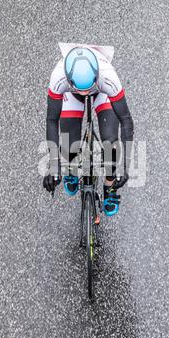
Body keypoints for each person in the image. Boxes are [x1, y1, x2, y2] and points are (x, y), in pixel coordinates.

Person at [43, 43, 134, 216]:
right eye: (81, 90)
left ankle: (109, 188)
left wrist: (124, 166)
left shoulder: (109, 76)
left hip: (102, 91)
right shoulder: (58, 76)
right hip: (70, 93)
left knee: (110, 144)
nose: (85, 94)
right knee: (69, 145)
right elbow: (52, 120)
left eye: (87, 90)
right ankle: (71, 167)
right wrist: (54, 166)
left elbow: (126, 121)